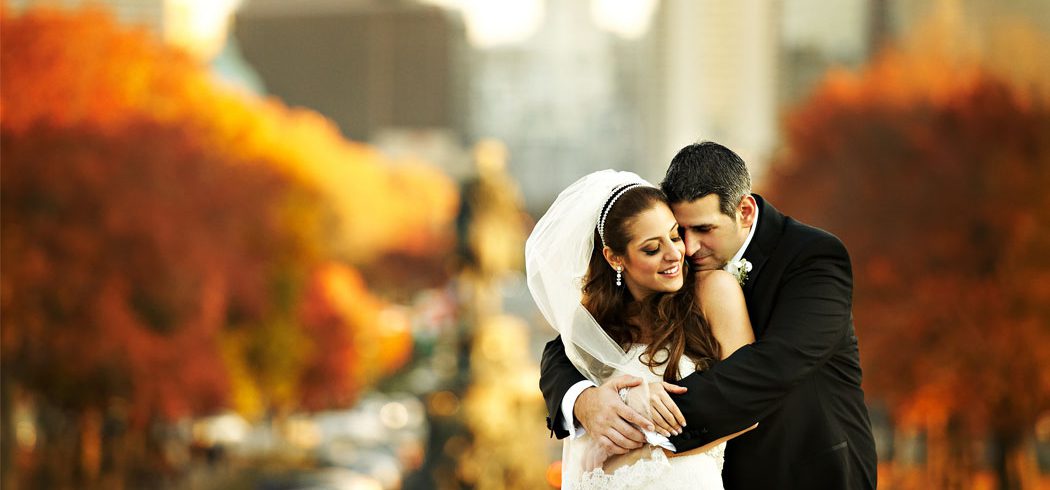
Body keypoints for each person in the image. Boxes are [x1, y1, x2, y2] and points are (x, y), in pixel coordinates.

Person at [540, 142, 878, 489]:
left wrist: (639, 415)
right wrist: (584, 400)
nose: (687, 247)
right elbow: (567, 346)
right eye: (678, 230)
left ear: (744, 212)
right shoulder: (672, 276)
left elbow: (773, 366)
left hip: (803, 473)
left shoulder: (813, 258)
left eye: (703, 230)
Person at [526, 170, 755, 489]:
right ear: (615, 258)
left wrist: (646, 452)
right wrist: (586, 401)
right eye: (651, 248)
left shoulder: (713, 292)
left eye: (675, 236)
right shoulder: (594, 326)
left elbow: (749, 403)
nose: (674, 254)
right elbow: (556, 361)